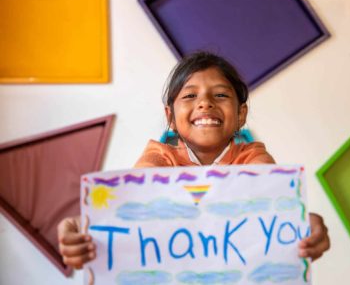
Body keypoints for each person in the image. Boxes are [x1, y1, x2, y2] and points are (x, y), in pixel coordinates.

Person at [58, 51, 330, 269]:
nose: (205, 103)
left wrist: (305, 220)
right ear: (170, 118)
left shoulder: (253, 158)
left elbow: (273, 204)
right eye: (190, 95)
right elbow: (129, 205)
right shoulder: (158, 158)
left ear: (241, 114)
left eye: (221, 95)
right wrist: (81, 226)